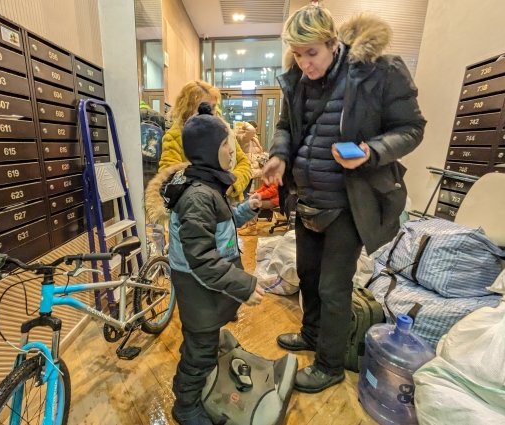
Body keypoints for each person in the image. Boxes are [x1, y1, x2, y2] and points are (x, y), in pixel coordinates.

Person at [262, 5, 426, 393]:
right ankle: (313, 333)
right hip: (307, 200)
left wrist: (370, 150)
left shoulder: (379, 72)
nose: (305, 64)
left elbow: (412, 128)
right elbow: (286, 126)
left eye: (312, 53)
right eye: (298, 55)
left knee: (334, 287)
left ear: (333, 43)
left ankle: (329, 364)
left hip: (350, 201)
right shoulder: (298, 79)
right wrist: (279, 155)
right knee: (308, 275)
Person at [161, 103, 265, 424]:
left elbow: (222, 223)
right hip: (199, 286)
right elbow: (202, 258)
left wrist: (247, 208)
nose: (232, 153)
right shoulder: (198, 196)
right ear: (210, 149)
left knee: (204, 337)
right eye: (226, 146)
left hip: (207, 285)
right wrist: (244, 285)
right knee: (199, 348)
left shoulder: (207, 187)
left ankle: (202, 369)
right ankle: (186, 404)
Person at [158, 80, 252, 202]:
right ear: (188, 109)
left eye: (213, 107)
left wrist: (232, 184)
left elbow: (244, 163)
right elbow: (169, 175)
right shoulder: (176, 136)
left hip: (229, 204)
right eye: (205, 107)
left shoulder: (224, 131)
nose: (212, 112)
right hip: (198, 204)